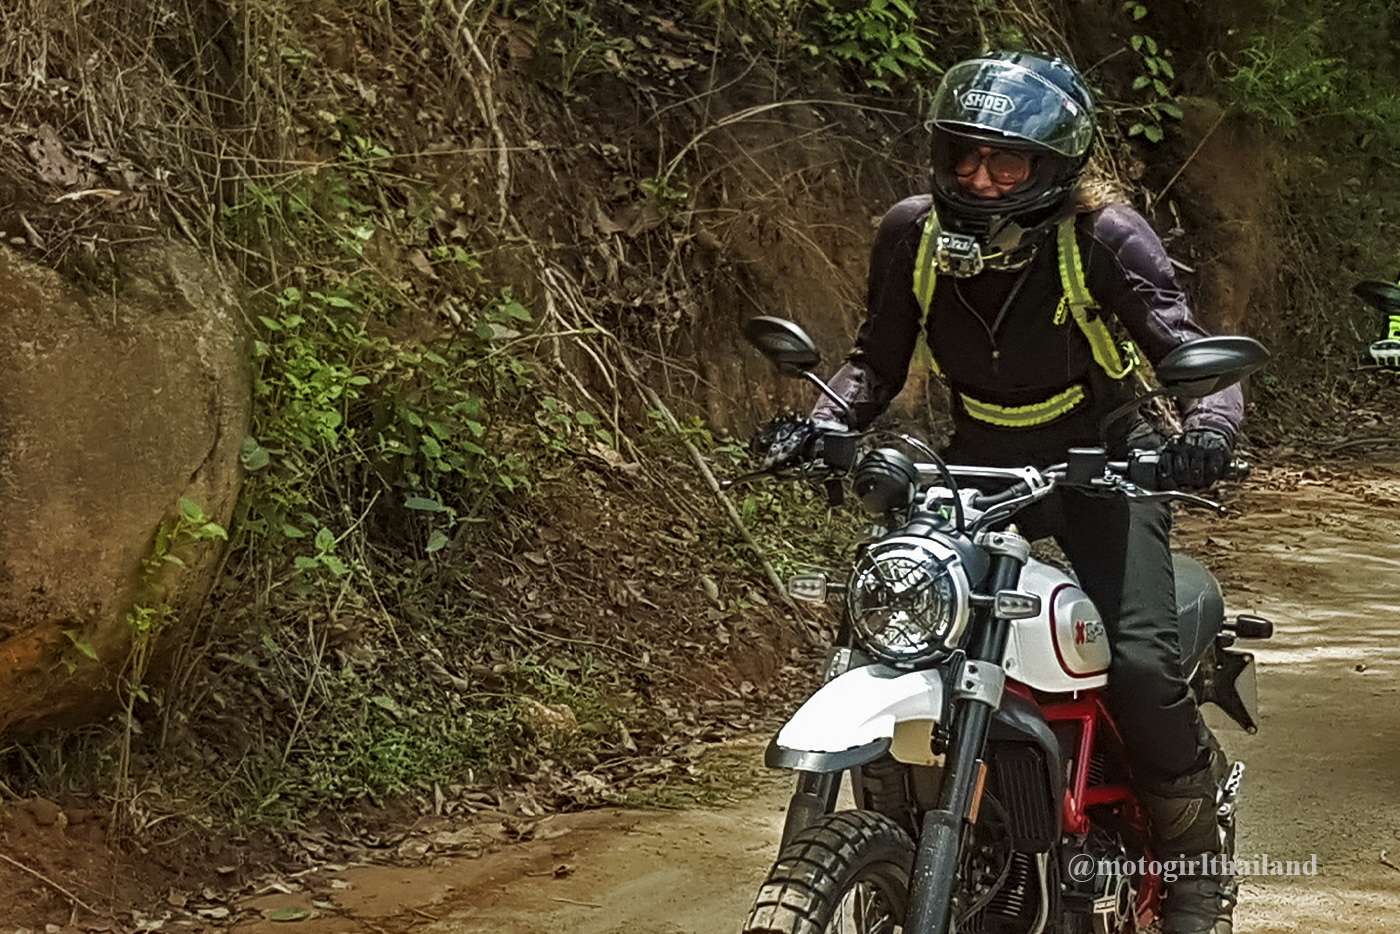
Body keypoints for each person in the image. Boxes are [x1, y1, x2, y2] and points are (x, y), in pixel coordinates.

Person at [764, 52, 1244, 934]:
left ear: (1053, 165)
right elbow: (874, 360)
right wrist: (821, 423)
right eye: (965, 156)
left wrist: (1207, 432)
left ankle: (1196, 871)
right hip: (975, 465)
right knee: (900, 634)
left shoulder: (1105, 237)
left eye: (1007, 162)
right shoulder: (911, 234)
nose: (980, 179)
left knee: (1140, 663)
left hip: (1103, 463)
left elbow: (1191, 352)